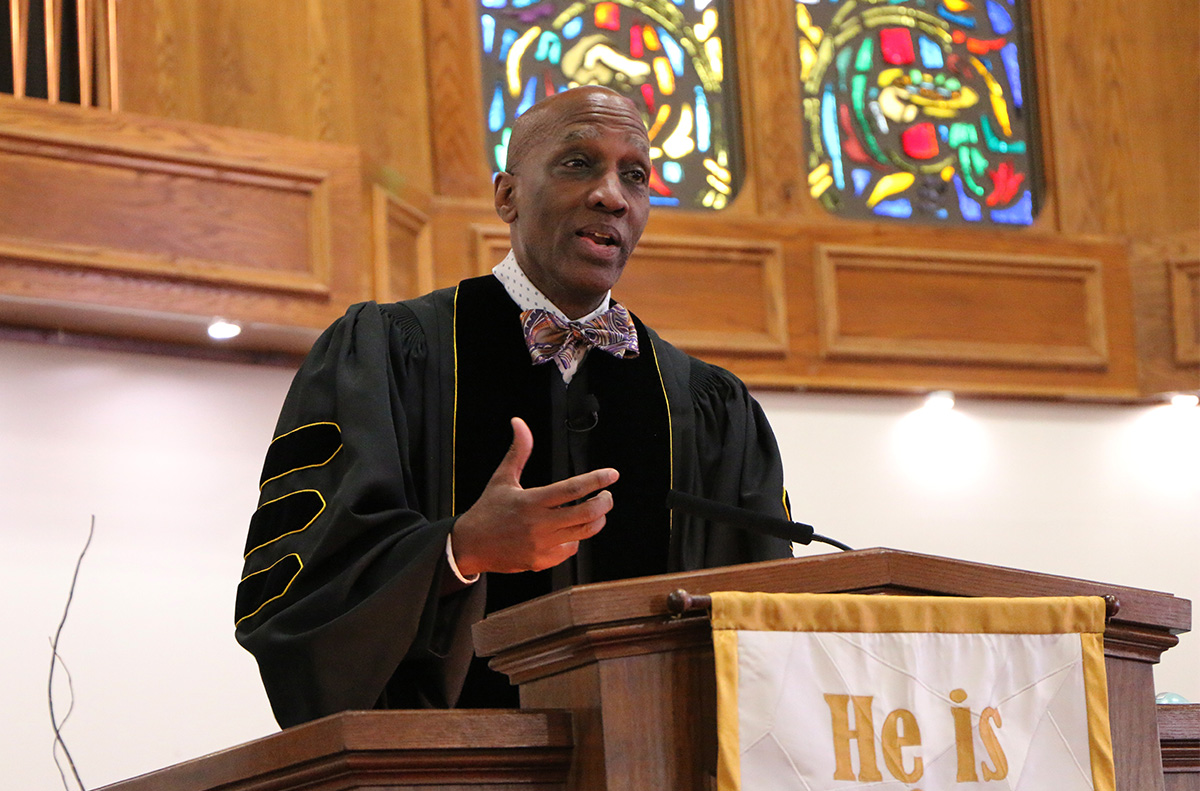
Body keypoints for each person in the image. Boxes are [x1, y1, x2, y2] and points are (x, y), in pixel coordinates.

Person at [235, 86, 793, 729]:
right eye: (577, 163)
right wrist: (458, 549)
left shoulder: (706, 405)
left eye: (633, 176)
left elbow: (765, 628)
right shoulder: (388, 355)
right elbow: (296, 593)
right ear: (507, 196)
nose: (611, 194)